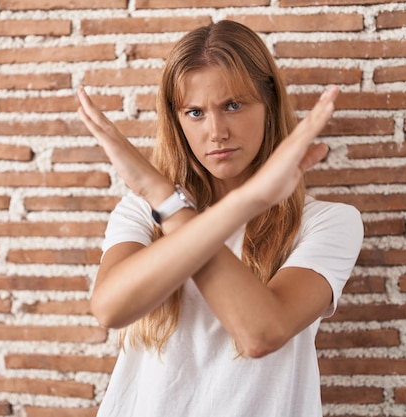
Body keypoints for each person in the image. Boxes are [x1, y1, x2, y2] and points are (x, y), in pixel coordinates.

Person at [76, 19, 363, 417]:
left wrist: (168, 196)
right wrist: (167, 199)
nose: (216, 132)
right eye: (195, 112)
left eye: (233, 105)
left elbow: (261, 332)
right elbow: (109, 309)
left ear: (269, 106)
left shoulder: (330, 222)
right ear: (177, 122)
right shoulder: (143, 212)